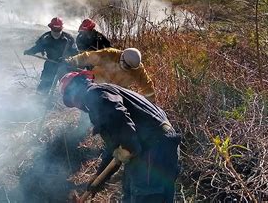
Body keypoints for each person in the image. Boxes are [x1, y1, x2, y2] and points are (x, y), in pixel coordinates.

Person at [59, 71, 180, 203]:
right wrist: (98, 178)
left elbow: (118, 114)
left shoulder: (94, 94)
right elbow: (114, 147)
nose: (77, 107)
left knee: (146, 196)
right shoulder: (105, 93)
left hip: (153, 148)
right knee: (132, 194)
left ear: (73, 93)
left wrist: (128, 145)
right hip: (154, 147)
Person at [64, 47, 156, 100]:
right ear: (122, 56)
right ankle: (82, 128)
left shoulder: (138, 69)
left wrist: (151, 102)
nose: (126, 68)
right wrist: (72, 61)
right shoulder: (110, 54)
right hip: (97, 84)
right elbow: (88, 57)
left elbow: (147, 85)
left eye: (129, 67)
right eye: (126, 65)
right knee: (90, 104)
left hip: (116, 92)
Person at [23, 17, 78, 94]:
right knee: (45, 84)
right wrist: (30, 51)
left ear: (61, 28)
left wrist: (67, 60)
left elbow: (76, 53)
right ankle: (40, 99)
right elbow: (38, 47)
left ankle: (66, 102)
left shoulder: (69, 38)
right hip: (50, 63)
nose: (56, 32)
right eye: (54, 30)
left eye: (58, 30)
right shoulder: (45, 37)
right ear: (51, 28)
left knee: (67, 86)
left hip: (65, 65)